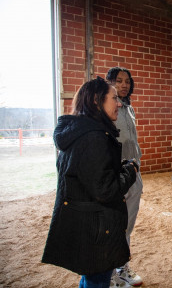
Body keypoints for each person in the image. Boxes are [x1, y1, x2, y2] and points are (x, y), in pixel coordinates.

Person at [42, 77, 139, 288]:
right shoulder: (93, 138)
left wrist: (116, 168)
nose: (119, 103)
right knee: (97, 280)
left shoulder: (81, 131)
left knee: (90, 278)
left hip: (85, 224)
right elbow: (106, 190)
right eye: (114, 98)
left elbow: (91, 177)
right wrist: (129, 171)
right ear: (97, 102)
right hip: (95, 230)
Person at [106, 67, 143, 287]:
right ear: (109, 82)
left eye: (127, 81)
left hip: (133, 174)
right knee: (113, 224)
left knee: (127, 225)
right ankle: (108, 272)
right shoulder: (105, 109)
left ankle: (122, 267)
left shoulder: (129, 109)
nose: (124, 85)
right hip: (114, 176)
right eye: (119, 81)